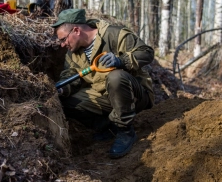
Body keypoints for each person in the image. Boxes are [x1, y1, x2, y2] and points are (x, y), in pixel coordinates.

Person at [52, 9, 154, 158]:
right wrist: (62, 90)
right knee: (65, 102)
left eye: (63, 39)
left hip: (135, 96)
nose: (62, 45)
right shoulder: (72, 53)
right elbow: (71, 76)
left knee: (115, 77)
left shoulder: (114, 34)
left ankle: (125, 130)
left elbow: (146, 52)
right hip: (105, 97)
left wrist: (122, 61)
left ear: (76, 30)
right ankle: (108, 126)